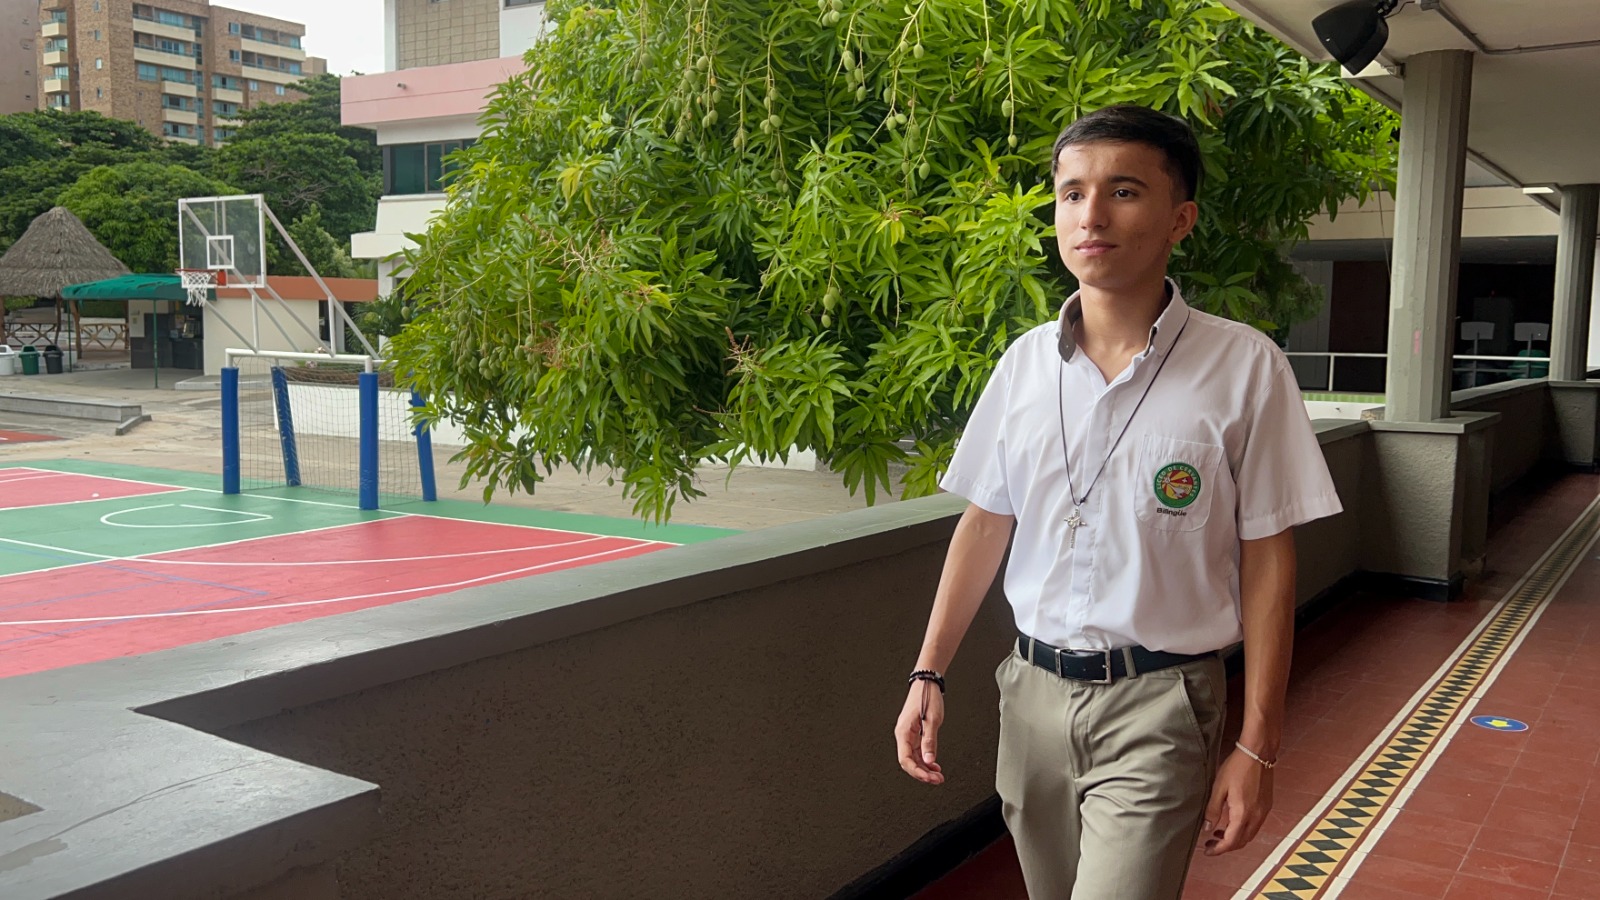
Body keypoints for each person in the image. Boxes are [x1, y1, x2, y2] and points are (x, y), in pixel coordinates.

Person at [892, 105, 1343, 900]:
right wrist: (929, 672)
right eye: (1070, 193)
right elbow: (986, 520)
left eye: (1123, 190)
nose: (1090, 215)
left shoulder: (1245, 368)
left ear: (1181, 219)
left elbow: (1269, 556)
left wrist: (1259, 744)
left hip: (1160, 703)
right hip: (1029, 695)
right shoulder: (1025, 365)